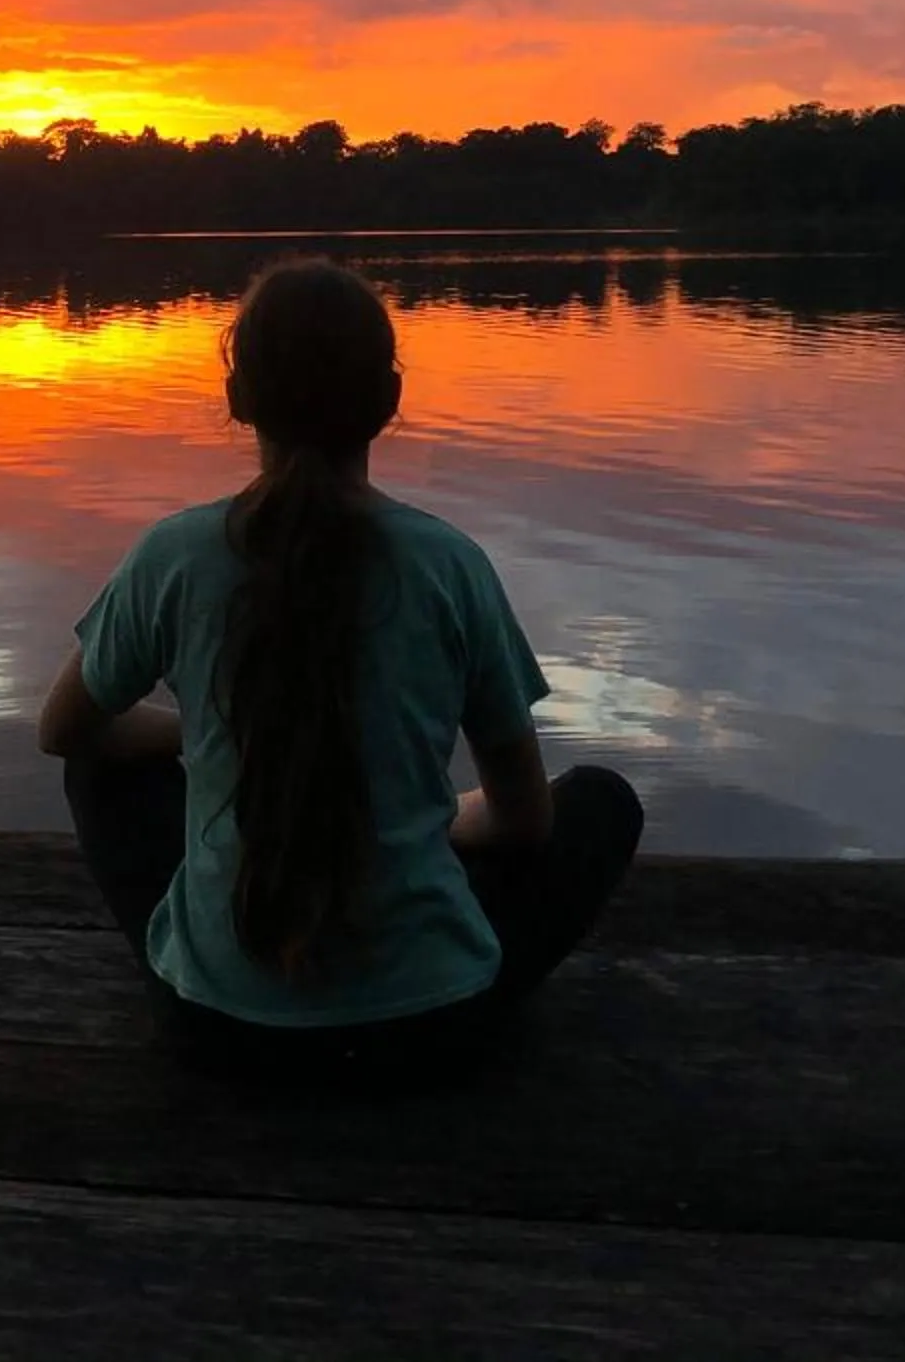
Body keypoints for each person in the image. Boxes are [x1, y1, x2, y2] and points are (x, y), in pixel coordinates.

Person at [37, 258, 643, 1082]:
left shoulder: (175, 555)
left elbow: (65, 728)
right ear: (388, 402)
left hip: (218, 1029)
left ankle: (225, 959)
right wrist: (420, 816)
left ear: (238, 398)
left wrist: (223, 736)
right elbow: (523, 821)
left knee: (101, 769)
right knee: (601, 802)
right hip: (428, 1030)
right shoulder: (448, 565)